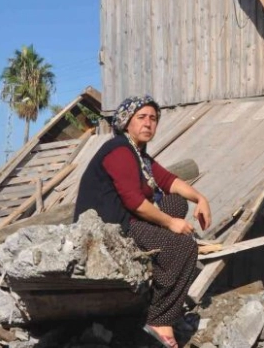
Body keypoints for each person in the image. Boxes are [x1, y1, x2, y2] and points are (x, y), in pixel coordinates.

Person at [75, 94, 212, 348]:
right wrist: (171, 225)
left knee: (176, 202)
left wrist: (200, 198)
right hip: (109, 227)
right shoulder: (119, 150)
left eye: (153, 118)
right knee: (184, 247)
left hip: (127, 218)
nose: (148, 123)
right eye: (142, 118)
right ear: (127, 122)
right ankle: (160, 319)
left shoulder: (139, 156)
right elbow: (133, 202)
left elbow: (169, 180)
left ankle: (162, 265)